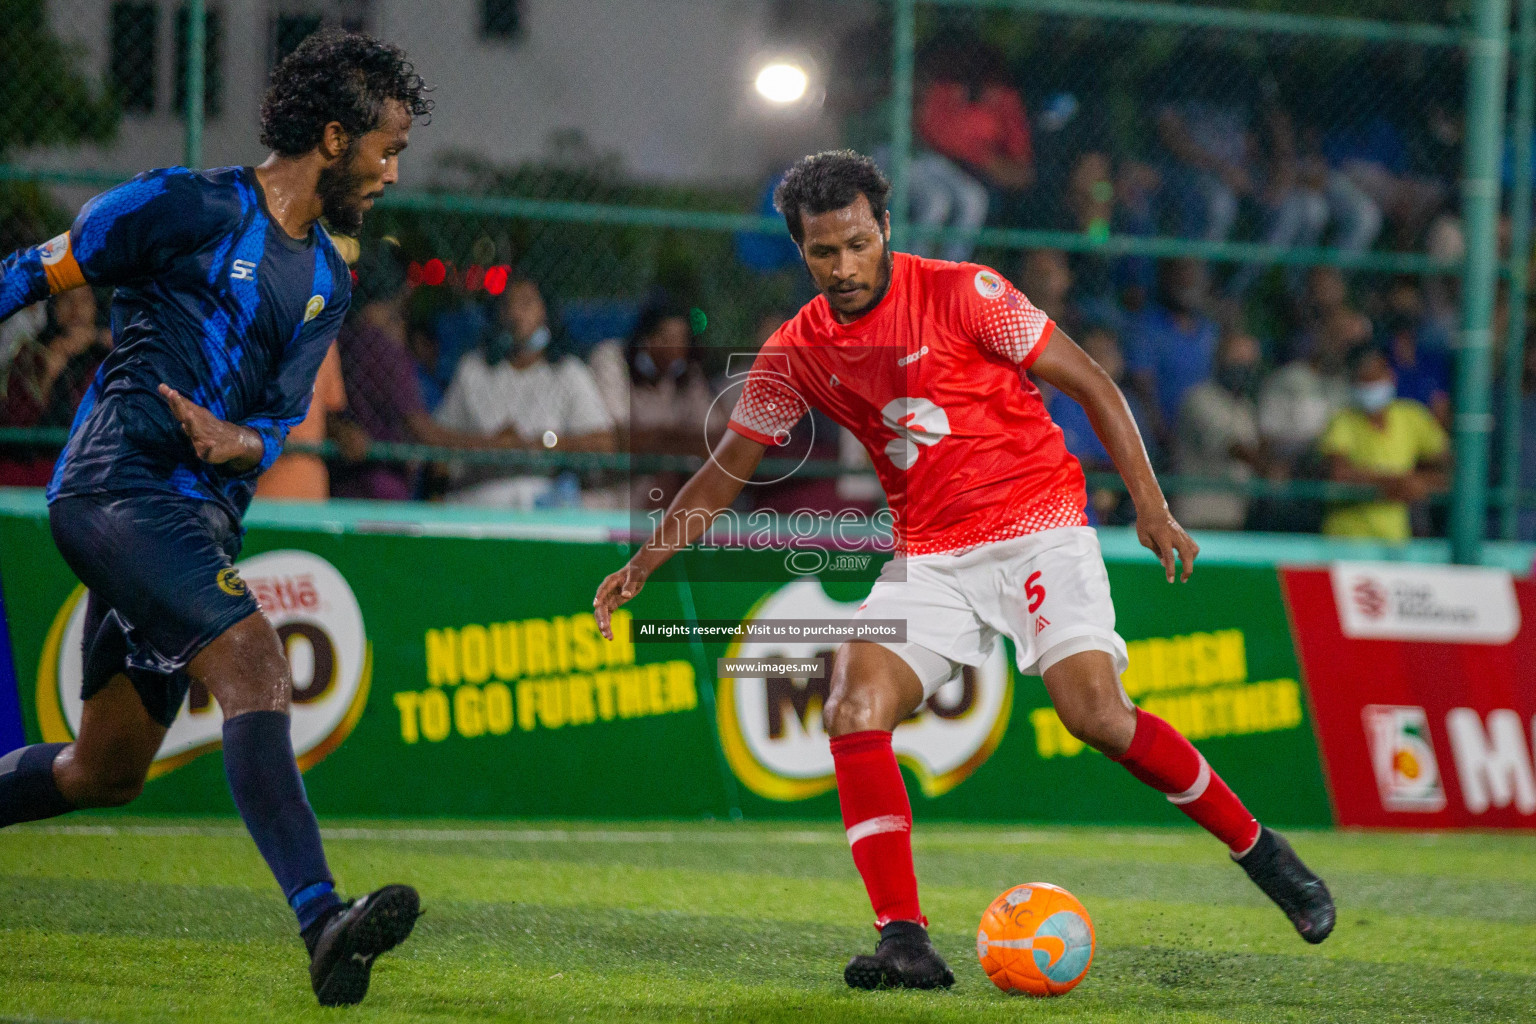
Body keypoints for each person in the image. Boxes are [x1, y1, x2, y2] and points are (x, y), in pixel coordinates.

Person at [592, 151, 1334, 991]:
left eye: (857, 244)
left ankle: (1266, 857)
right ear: (801, 250)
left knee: (1094, 716)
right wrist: (645, 561)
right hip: (930, 556)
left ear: (884, 229)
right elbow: (729, 467)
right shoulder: (795, 349)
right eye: (822, 252)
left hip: (1037, 526)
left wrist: (1153, 508)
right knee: (851, 705)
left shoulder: (963, 292)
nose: (843, 267)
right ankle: (904, 940)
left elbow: (1091, 383)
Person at [0, 32, 430, 1005]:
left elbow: (272, 430)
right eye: (386, 148)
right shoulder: (184, 206)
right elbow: (36, 272)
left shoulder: (328, 275)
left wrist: (237, 442)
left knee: (100, 769)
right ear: (334, 137)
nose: (393, 171)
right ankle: (323, 921)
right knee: (254, 662)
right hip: (116, 493)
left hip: (196, 527)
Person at [435, 278, 616, 507]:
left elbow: (603, 441)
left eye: (526, 304)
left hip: (544, 498)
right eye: (508, 305)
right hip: (478, 497)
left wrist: (541, 443)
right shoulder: (473, 369)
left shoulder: (568, 372)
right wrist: (492, 444)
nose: (516, 314)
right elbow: (440, 434)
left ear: (545, 311)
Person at [1320, 347, 1449, 541]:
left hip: (1396, 541)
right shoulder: (1343, 421)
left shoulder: (1412, 416)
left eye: (1375, 381)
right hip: (1346, 539)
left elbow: (1446, 465)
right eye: (1364, 383)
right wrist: (1395, 481)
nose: (1371, 389)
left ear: (1390, 377)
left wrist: (1421, 482)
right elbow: (1339, 473)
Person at [0, 288, 112, 487]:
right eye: (67, 301)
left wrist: (95, 337)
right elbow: (15, 427)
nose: (77, 310)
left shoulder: (107, 356)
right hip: (37, 463)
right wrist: (49, 374)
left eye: (85, 301)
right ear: (53, 308)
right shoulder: (30, 354)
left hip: (92, 464)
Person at [1173, 332, 1264, 531]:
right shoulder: (1199, 398)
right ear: (1219, 361)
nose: (1242, 368)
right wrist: (1269, 467)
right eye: (1236, 360)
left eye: (1248, 362)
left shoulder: (1246, 407)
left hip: (1233, 516)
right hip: (1197, 517)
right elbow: (1233, 447)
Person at [253, 341, 347, 501]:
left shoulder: (324, 329)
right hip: (257, 495)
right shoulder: (246, 328)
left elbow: (330, 409)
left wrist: (344, 433)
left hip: (309, 490)